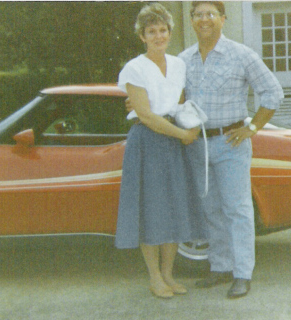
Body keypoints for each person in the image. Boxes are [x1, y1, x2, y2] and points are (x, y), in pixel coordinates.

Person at [179, 1, 284, 299]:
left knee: (237, 209)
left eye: (210, 14)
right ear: (192, 20)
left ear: (222, 19)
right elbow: (170, 96)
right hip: (198, 145)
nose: (204, 20)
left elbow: (272, 92)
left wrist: (251, 128)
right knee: (211, 208)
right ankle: (220, 267)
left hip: (230, 143)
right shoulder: (183, 59)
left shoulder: (241, 54)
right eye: (198, 14)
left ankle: (242, 274)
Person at [114, 3, 206, 299]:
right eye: (151, 31)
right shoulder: (134, 68)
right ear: (142, 36)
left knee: (175, 208)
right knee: (151, 209)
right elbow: (147, 116)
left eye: (162, 30)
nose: (158, 36)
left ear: (170, 32)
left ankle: (168, 274)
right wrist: (183, 135)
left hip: (173, 140)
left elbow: (177, 104)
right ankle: (154, 277)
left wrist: (188, 128)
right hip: (148, 141)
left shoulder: (179, 64)